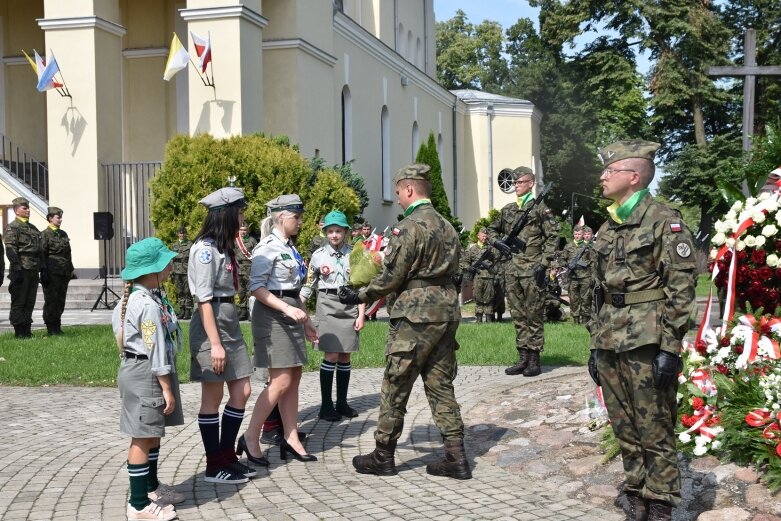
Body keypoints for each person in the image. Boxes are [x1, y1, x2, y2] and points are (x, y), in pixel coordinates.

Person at [339, 163, 471, 480]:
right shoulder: (448, 227)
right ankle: (456, 457)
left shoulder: (408, 227)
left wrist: (358, 296)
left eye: (398, 192)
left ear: (409, 189)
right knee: (441, 385)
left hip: (415, 315)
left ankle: (383, 455)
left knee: (395, 384)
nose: (397, 198)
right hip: (447, 311)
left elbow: (391, 277)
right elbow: (458, 271)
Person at [588, 140, 696, 521]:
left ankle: (662, 500)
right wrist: (594, 344)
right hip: (610, 336)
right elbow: (599, 290)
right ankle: (635, 490)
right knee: (622, 419)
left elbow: (681, 289)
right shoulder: (607, 226)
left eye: (609, 171)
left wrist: (671, 347)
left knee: (654, 421)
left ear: (633, 177)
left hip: (647, 337)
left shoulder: (665, 220)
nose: (602, 177)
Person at [239, 194, 319, 466]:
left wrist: (306, 320)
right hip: (273, 315)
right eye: (296, 217)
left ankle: (291, 436)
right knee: (280, 381)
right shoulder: (267, 247)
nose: (300, 221)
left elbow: (294, 289)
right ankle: (251, 436)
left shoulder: (289, 247)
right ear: (281, 217)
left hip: (291, 311)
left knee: (294, 377)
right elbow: (257, 288)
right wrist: (287, 310)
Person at [113, 237, 184, 521]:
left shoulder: (140, 298)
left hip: (142, 370)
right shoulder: (146, 306)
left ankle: (151, 488)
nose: (170, 267)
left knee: (152, 433)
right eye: (165, 263)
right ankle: (139, 504)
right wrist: (167, 388)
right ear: (151, 270)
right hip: (147, 372)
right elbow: (153, 347)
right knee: (142, 438)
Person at [188, 187, 255, 484]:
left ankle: (228, 454)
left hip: (228, 320)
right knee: (213, 397)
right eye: (238, 213)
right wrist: (215, 344)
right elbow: (203, 300)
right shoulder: (203, 250)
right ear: (225, 214)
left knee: (242, 391)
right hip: (210, 323)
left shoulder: (222, 246)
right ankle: (214, 464)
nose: (242, 219)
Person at [487, 167, 559, 376]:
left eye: (521, 182)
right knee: (518, 314)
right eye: (515, 183)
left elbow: (553, 237)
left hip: (532, 268)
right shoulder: (508, 209)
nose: (516, 185)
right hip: (512, 269)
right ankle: (523, 357)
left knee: (533, 314)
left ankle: (535, 359)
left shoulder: (540, 210)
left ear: (531, 183)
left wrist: (544, 263)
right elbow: (491, 230)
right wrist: (497, 243)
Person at [300, 210, 366, 421]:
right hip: (327, 305)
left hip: (349, 306)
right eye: (330, 231)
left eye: (339, 231)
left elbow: (361, 286)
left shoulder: (355, 255)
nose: (335, 235)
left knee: (345, 354)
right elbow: (309, 285)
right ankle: (326, 406)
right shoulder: (318, 256)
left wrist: (361, 315)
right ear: (325, 232)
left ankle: (342, 403)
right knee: (331, 354)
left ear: (346, 232)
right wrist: (300, 310)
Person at [4, 197, 42, 338]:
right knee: (19, 301)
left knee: (30, 300)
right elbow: (10, 249)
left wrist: (42, 267)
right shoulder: (13, 227)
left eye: (28, 208)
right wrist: (17, 268)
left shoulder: (32, 229)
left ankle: (27, 328)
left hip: (33, 269)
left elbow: (39, 250)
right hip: (21, 269)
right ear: (16, 210)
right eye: (24, 208)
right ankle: (19, 330)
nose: (28, 211)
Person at [40, 206, 74, 335]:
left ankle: (57, 324)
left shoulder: (63, 234)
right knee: (51, 300)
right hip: (51, 272)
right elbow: (42, 253)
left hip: (63, 272)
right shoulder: (45, 234)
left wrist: (70, 269)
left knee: (60, 299)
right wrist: (43, 271)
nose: (60, 220)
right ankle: (50, 326)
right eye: (58, 217)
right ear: (50, 218)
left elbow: (68, 253)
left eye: (61, 218)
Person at [559, 225, 595, 325]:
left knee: (586, 298)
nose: (577, 236)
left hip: (586, 276)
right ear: (573, 234)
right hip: (573, 277)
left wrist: (593, 276)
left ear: (582, 234)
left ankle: (585, 320)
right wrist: (568, 265)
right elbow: (561, 260)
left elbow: (592, 262)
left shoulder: (588, 246)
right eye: (575, 234)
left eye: (579, 234)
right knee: (574, 299)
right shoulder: (568, 246)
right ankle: (575, 320)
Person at [460, 227, 496, 323]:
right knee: (478, 297)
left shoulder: (490, 249)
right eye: (483, 235)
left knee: (489, 297)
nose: (485, 237)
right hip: (477, 276)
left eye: (486, 235)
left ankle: (489, 320)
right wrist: (470, 268)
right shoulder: (472, 249)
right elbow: (464, 262)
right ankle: (479, 319)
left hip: (489, 276)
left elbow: (496, 261)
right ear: (478, 236)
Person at [235, 224, 257, 321]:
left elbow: (256, 253)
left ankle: (250, 311)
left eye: (244, 230)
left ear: (247, 230)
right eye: (241, 229)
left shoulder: (252, 240)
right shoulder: (235, 240)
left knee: (249, 290)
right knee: (240, 291)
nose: (243, 231)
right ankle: (243, 310)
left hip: (249, 267)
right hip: (238, 267)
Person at [170, 226, 192, 320]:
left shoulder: (190, 244)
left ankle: (188, 310)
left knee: (187, 291)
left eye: (183, 233)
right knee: (180, 291)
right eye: (180, 233)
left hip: (186, 271)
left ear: (185, 234)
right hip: (176, 271)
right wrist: (171, 271)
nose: (182, 235)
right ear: (177, 234)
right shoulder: (174, 245)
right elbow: (171, 259)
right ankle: (182, 309)